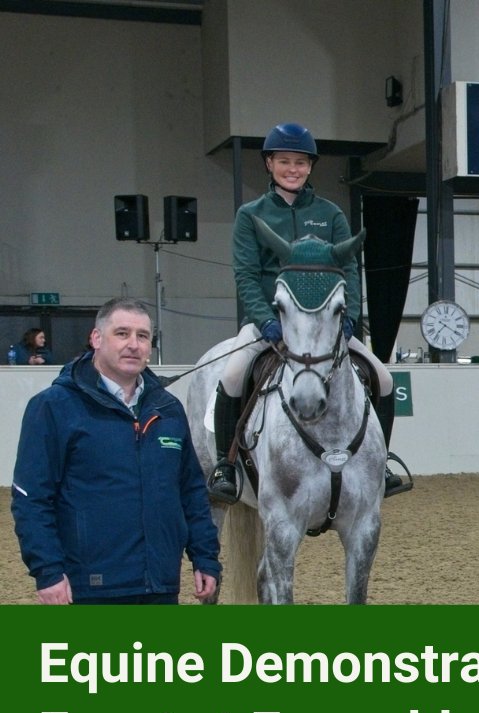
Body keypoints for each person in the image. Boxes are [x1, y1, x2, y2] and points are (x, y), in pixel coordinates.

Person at [206, 121, 408, 503]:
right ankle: (226, 464)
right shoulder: (251, 215)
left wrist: (349, 317)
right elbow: (246, 274)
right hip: (269, 322)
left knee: (382, 379)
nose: (292, 169)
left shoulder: (330, 213)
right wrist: (265, 319)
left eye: (300, 162)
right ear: (269, 164)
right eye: (284, 161)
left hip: (324, 326)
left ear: (310, 166)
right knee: (232, 376)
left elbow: (349, 270)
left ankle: (380, 464)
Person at [11, 298, 220, 604]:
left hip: (160, 586)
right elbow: (31, 498)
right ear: (96, 338)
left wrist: (205, 557)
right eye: (122, 333)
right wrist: (48, 570)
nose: (133, 345)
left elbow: (190, 491)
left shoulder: (168, 410)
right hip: (90, 588)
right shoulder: (54, 407)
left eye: (143, 336)